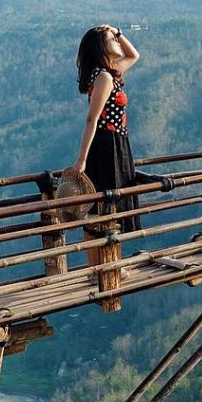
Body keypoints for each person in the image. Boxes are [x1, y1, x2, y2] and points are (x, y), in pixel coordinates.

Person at [72, 25, 143, 252]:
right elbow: (92, 120)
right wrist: (82, 159)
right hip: (108, 146)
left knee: (108, 209)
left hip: (115, 143)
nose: (116, 41)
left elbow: (134, 55)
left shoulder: (108, 72)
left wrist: (117, 31)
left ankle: (106, 267)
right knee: (106, 209)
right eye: (111, 39)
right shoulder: (104, 77)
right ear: (101, 46)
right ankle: (102, 269)